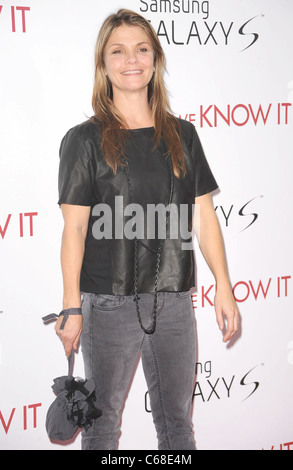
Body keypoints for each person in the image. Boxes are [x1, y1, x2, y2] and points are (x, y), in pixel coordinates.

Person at [54, 9, 239, 450]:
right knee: (103, 428)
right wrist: (71, 305)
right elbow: (74, 230)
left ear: (155, 60)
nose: (131, 60)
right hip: (107, 304)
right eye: (118, 51)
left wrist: (225, 286)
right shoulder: (83, 140)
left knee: (178, 425)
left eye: (142, 49)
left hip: (174, 301)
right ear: (103, 63)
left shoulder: (183, 135)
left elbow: (205, 217)